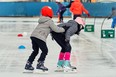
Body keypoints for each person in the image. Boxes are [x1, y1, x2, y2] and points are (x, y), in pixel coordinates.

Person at [24, 6, 65, 73]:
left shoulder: (41, 20)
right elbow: (56, 29)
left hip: (33, 36)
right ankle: (40, 64)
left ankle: (28, 64)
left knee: (35, 51)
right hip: (40, 37)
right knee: (45, 50)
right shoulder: (49, 21)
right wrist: (63, 30)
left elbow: (48, 28)